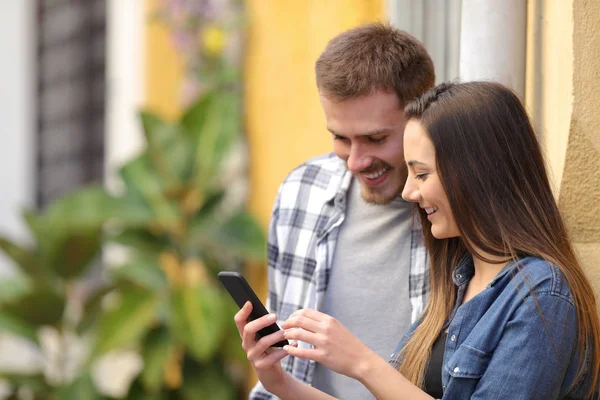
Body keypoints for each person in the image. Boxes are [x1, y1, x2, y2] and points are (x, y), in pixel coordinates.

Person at [236, 81, 600, 399]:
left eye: (422, 174)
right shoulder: (460, 278)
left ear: (477, 172)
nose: (410, 192)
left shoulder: (543, 295)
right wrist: (280, 383)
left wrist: (361, 363)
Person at [246, 23, 436, 399]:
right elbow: (285, 369)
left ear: (422, 116)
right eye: (340, 138)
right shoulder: (302, 191)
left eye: (375, 138)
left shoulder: (456, 212)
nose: (356, 161)